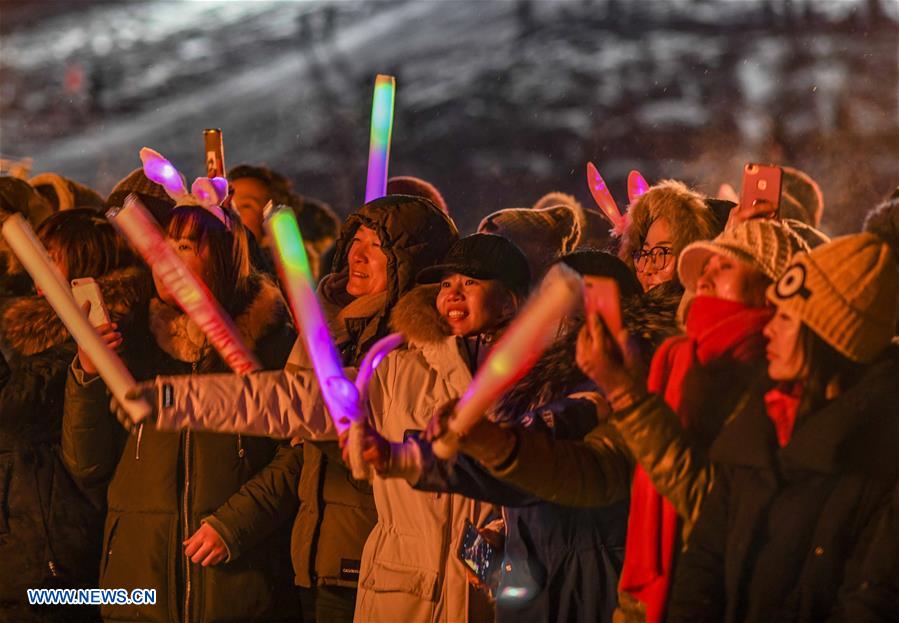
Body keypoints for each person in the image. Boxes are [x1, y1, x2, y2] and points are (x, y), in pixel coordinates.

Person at [119, 195, 460, 623]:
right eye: (356, 239)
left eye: (376, 245)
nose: (356, 253)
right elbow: (289, 405)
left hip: (375, 561)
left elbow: (297, 411)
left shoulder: (407, 355)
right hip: (311, 559)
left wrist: (179, 401)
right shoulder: (326, 328)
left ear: (411, 261)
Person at [353, 250, 644, 623]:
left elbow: (542, 461)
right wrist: (502, 534)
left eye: (562, 303)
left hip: (590, 590)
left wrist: (413, 457)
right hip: (535, 590)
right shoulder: (540, 379)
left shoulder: (610, 385)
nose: (545, 318)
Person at [62, 203, 302, 622]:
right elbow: (87, 464)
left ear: (225, 258)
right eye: (162, 245)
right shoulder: (133, 341)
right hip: (138, 589)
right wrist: (87, 370)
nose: (165, 259)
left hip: (237, 589)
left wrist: (236, 524)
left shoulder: (271, 347)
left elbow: (297, 455)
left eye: (185, 245)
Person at [667, 233, 899, 623]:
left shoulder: (880, 458)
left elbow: (870, 602)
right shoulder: (761, 420)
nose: (769, 329)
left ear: (829, 338)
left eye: (787, 318)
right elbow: (703, 560)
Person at [342, 233, 530, 623]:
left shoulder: (531, 384)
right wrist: (184, 401)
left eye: (471, 283)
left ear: (510, 300)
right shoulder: (397, 368)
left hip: (481, 594)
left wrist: (499, 531)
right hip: (400, 595)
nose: (454, 294)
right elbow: (307, 401)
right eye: (446, 283)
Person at [0, 209, 146, 623]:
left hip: (59, 558)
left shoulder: (97, 338)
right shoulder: (35, 334)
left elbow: (13, 411)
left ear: (82, 263)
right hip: (28, 548)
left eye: (49, 258)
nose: (36, 273)